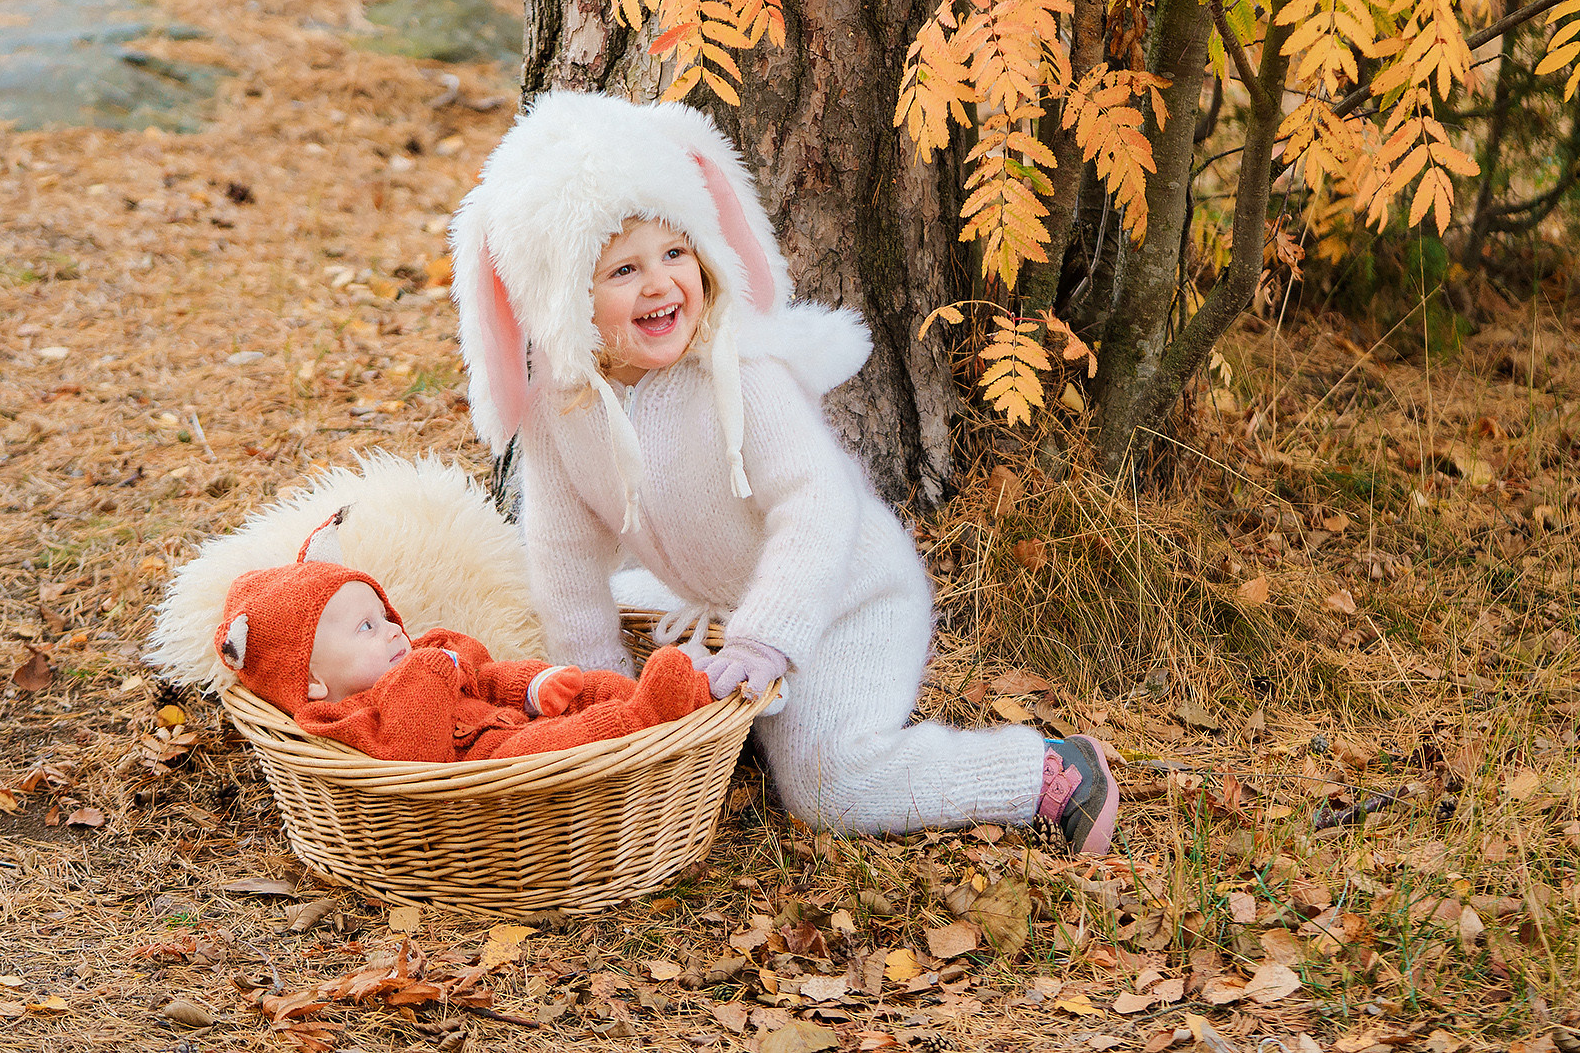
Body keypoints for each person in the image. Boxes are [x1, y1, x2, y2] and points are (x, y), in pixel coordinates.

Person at [450, 91, 1120, 852]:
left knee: (825, 785)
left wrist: (767, 638)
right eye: (623, 269)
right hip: (714, 597)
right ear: (564, 301)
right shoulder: (561, 411)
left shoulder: (739, 373)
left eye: (676, 253)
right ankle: (719, 718)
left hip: (844, 598)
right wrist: (606, 704)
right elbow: (564, 557)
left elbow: (818, 502)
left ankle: (1042, 771)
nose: (662, 284)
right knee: (575, 618)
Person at [216, 508, 712, 762]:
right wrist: (428, 672)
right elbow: (415, 752)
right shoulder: (339, 718)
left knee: (587, 687)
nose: (392, 631)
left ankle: (669, 702)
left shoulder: (424, 655)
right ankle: (645, 717)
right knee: (556, 742)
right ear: (314, 679)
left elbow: (486, 678)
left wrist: (533, 688)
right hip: (495, 765)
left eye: (385, 616)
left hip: (513, 718)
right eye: (366, 628)